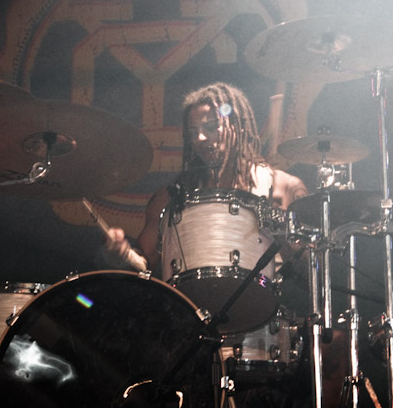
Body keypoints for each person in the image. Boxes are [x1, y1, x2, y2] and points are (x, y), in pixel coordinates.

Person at [104, 82, 308, 274]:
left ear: (238, 127)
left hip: (263, 297)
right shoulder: (174, 195)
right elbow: (144, 264)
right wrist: (124, 254)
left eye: (211, 127)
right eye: (193, 133)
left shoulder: (283, 187)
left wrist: (287, 239)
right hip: (190, 298)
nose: (200, 138)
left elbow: (308, 271)